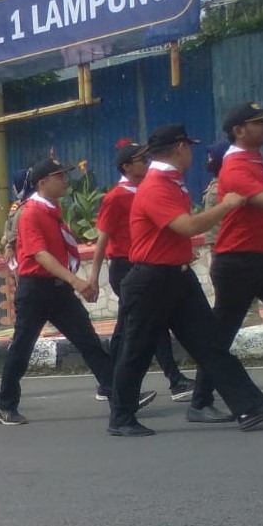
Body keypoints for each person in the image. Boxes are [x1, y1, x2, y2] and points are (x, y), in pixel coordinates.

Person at [108, 123, 263, 435]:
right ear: (179, 149)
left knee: (211, 344)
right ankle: (121, 418)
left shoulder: (172, 181)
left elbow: (169, 232)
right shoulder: (158, 184)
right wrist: (226, 206)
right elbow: (187, 226)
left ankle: (249, 406)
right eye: (188, 147)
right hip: (151, 281)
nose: (191, 152)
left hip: (177, 277)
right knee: (137, 350)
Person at [0, 158, 156, 425]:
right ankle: (5, 405)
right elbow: (40, 255)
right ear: (43, 182)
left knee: (88, 341)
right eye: (60, 176)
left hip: (58, 291)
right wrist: (77, 282)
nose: (65, 180)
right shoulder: (31, 212)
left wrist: (75, 282)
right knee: (22, 348)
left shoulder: (52, 208)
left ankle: (119, 394)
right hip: (35, 291)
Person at [188, 103, 263, 421]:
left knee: (220, 334)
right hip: (238, 264)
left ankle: (201, 402)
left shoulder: (256, 162)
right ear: (239, 131)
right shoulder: (236, 167)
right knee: (221, 335)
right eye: (258, 122)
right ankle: (200, 402)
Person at [88, 140, 195, 401]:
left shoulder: (151, 189)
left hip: (148, 264)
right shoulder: (116, 197)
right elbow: (103, 238)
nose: (146, 163)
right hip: (126, 267)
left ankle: (108, 383)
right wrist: (92, 276)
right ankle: (175, 379)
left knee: (127, 328)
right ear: (126, 167)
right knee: (153, 324)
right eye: (140, 160)